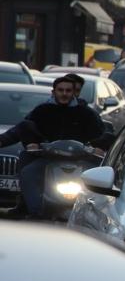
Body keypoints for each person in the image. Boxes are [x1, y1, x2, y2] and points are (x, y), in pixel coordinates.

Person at [16, 76, 104, 218]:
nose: (64, 93)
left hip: (80, 159)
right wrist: (32, 143)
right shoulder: (41, 111)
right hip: (48, 159)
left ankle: (95, 213)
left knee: (101, 177)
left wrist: (99, 146)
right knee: (28, 172)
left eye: (68, 90)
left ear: (73, 93)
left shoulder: (86, 113)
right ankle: (34, 211)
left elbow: (102, 132)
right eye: (61, 90)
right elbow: (26, 127)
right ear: (53, 92)